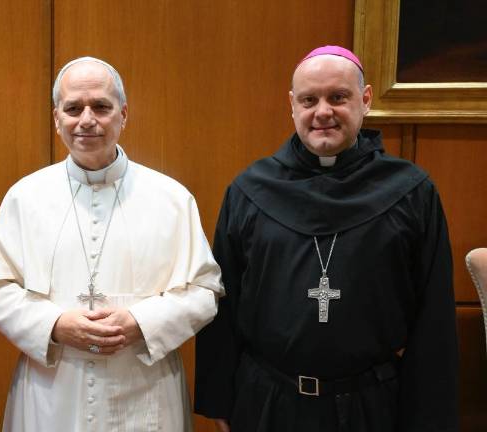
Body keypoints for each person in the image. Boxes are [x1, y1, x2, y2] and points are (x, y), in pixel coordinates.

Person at [194, 45, 458, 431]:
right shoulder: (250, 189)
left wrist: (429, 417)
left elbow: (433, 316)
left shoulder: (411, 192)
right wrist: (220, 397)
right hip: (267, 402)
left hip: (372, 406)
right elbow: (223, 300)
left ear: (364, 100)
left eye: (338, 97)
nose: (322, 112)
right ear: (292, 105)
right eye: (309, 99)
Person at [0, 57, 224, 431]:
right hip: (52, 394)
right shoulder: (24, 197)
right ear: (56, 117)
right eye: (73, 108)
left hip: (145, 393)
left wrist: (140, 321)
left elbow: (205, 290)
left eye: (102, 107)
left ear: (123, 114)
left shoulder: (171, 198)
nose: (87, 119)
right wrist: (56, 323)